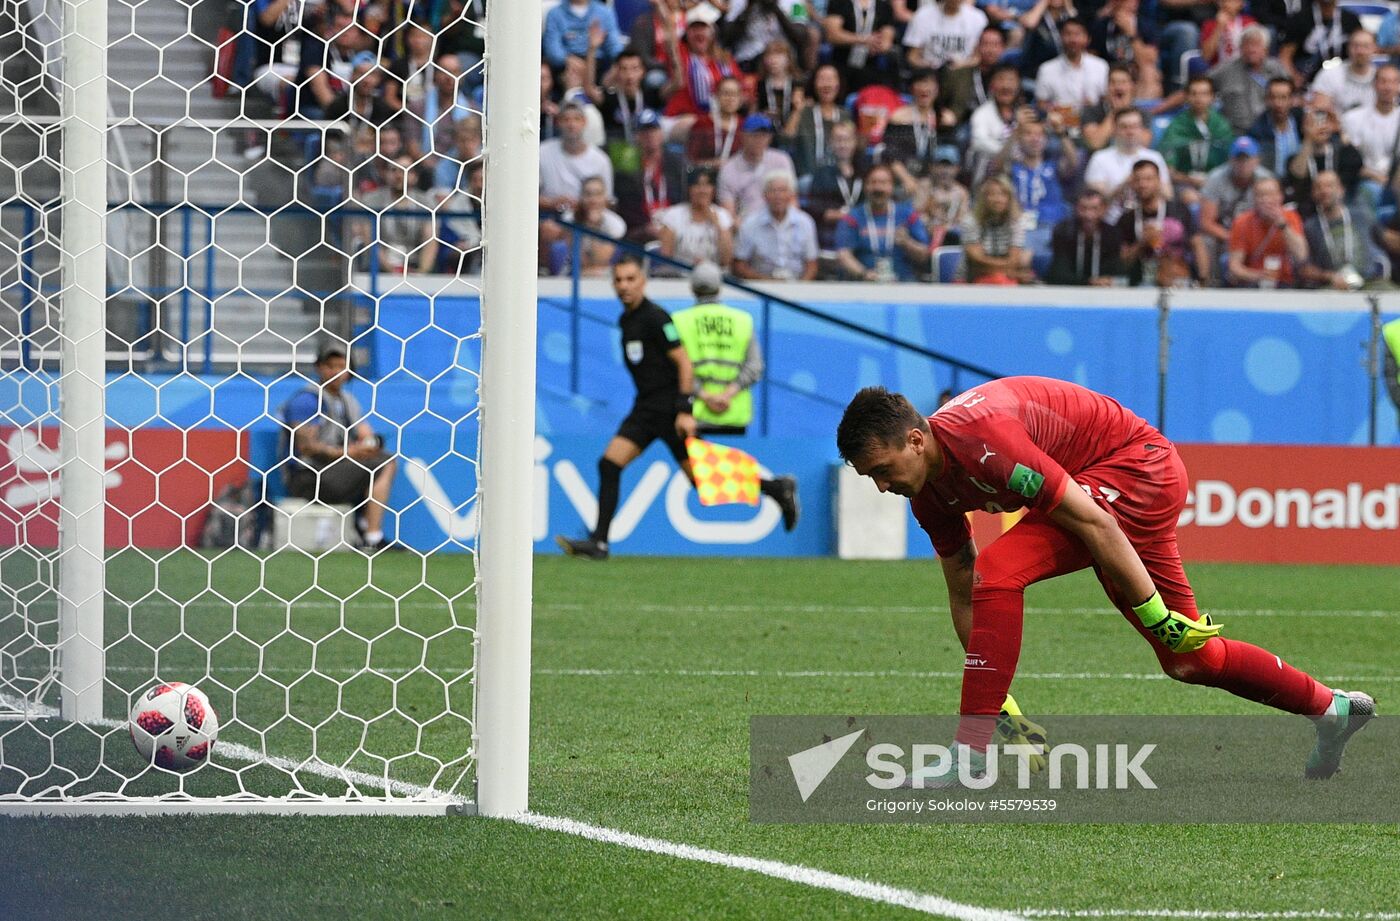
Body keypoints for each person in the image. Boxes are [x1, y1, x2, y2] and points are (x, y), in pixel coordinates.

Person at [834, 380, 1375, 783]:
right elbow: (962, 587)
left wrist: (1154, 617)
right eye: (870, 477)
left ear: (915, 439)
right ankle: (1332, 710)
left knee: (1003, 569)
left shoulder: (985, 440)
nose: (882, 487)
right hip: (1109, 492)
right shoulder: (925, 492)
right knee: (1189, 660)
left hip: (1138, 469)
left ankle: (969, 753)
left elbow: (1094, 521)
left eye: (883, 470)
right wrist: (1001, 706)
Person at [555, 255, 698, 561]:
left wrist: (685, 409)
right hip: (646, 409)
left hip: (669, 411)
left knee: (704, 482)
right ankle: (599, 543)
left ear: (643, 282)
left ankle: (775, 488)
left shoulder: (657, 318)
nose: (624, 286)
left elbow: (685, 362)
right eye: (618, 280)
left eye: (630, 279)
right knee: (609, 464)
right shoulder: (626, 320)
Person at [670, 262, 800, 529]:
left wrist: (705, 395)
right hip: (733, 412)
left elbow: (676, 367)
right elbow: (755, 367)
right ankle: (775, 487)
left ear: (692, 288)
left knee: (701, 475)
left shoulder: (679, 321)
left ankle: (775, 487)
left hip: (695, 411)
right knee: (706, 473)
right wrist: (728, 393)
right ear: (720, 287)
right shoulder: (742, 321)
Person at [281, 345, 399, 551]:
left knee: (383, 459)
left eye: (342, 366)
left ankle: (365, 525)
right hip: (308, 476)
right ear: (319, 368)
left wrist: (369, 444)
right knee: (384, 464)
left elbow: (366, 434)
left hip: (333, 471)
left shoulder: (348, 401)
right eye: (330, 366)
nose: (336, 372)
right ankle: (371, 536)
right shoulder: (307, 400)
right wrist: (349, 452)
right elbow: (306, 447)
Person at [834, 164, 930, 281]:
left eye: (883, 183)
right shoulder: (852, 217)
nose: (878, 188)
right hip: (864, 284)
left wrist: (907, 243)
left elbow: (924, 255)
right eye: (873, 182)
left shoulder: (908, 215)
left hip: (903, 284)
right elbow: (843, 255)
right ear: (865, 186)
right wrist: (864, 274)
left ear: (892, 186)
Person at [1116, 159, 1201, 288]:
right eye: (1138, 180)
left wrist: (1203, 279)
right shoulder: (1126, 218)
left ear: (1159, 180)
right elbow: (1123, 262)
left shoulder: (1179, 211)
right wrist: (1143, 242)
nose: (1143, 184)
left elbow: (1197, 244)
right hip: (1140, 283)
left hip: (1178, 278)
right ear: (1132, 183)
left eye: (1148, 179)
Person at [1197, 137, 1271, 286]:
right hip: (1224, 234)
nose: (1243, 164)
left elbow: (1271, 215)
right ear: (1231, 160)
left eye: (1248, 159)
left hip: (1255, 233)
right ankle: (1210, 284)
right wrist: (1234, 238)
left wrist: (1248, 240)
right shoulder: (1216, 179)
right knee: (1205, 240)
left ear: (1257, 160)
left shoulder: (1266, 180)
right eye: (1239, 159)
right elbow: (1206, 222)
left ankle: (1270, 283)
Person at [1156, 75, 1235, 207]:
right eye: (1194, 94)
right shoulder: (1177, 126)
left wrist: (1212, 181)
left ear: (1212, 97)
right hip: (1185, 183)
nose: (1199, 99)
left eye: (1204, 94)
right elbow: (1168, 169)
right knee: (1190, 198)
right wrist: (1191, 180)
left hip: (1217, 182)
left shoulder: (1222, 125)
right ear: (1186, 97)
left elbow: (1231, 162)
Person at [1083, 108, 1172, 221]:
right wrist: (1126, 184)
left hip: (1148, 220)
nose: (1130, 132)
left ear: (1142, 129)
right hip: (1111, 222)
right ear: (1114, 130)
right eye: (1124, 127)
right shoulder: (1099, 158)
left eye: (1135, 126)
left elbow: (1168, 196)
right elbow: (1096, 202)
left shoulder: (1154, 157)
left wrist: (1146, 184)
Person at [1300, 170, 1382, 290]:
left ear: (1341, 190)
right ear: (1313, 194)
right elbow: (1305, 269)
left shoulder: (1362, 216)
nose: (1324, 191)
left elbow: (1386, 238)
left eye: (1329, 186)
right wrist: (1330, 276)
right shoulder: (1310, 226)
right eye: (1318, 187)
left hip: (1369, 282)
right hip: (1332, 286)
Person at [733, 171, 820, 280]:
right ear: (764, 195)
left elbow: (812, 264)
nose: (778, 196)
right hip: (761, 285)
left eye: (783, 191)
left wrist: (801, 287)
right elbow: (739, 265)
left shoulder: (805, 222)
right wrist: (767, 282)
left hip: (798, 284)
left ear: (791, 194)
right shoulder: (750, 224)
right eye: (773, 191)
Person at [1227, 176, 1309, 288]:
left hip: (1283, 282)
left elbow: (1301, 255)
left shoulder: (1291, 217)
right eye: (1260, 195)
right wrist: (1257, 275)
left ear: (1280, 197)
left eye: (1270, 194)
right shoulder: (1242, 221)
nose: (1266, 200)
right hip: (1252, 282)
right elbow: (1235, 266)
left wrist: (1283, 225)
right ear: (1254, 199)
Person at [1340, 63, 1400, 210]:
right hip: (1366, 179)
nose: (1388, 87)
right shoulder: (1353, 118)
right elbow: (1350, 161)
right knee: (1370, 191)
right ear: (1374, 85)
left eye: (1394, 82)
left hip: (1397, 179)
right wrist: (1379, 178)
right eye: (1383, 81)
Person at [1211, 25, 1290, 137]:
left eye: (1256, 45)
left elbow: (1291, 96)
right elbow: (1201, 85)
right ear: (1240, 48)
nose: (1251, 49)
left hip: (1269, 133)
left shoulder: (1277, 69)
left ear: (1266, 49)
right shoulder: (1225, 69)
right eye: (1247, 44)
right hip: (1235, 134)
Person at [717, 114, 798, 219]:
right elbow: (728, 214)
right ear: (743, 136)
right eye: (754, 135)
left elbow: (792, 200)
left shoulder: (781, 160)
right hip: (746, 226)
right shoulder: (729, 168)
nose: (759, 140)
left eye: (764, 135)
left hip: (779, 222)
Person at [657, 166, 736, 268]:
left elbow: (727, 260)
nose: (702, 190)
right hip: (679, 276)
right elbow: (665, 256)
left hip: (714, 276)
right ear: (689, 189)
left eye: (707, 185)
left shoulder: (723, 216)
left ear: (713, 189)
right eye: (697, 185)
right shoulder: (673, 215)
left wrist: (717, 224)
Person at [958, 175, 1030, 284]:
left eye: (1003, 194)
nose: (998, 199)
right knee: (999, 280)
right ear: (983, 198)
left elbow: (1014, 259)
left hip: (1006, 277)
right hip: (971, 278)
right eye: (992, 194)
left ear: (1010, 198)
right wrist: (1010, 270)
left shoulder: (1017, 222)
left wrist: (1009, 270)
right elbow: (978, 261)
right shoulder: (970, 221)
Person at [783, 65, 851, 179]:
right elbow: (786, 140)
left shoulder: (845, 114)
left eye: (831, 79)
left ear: (838, 84)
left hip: (838, 178)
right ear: (814, 84)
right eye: (822, 79)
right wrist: (797, 110)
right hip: (808, 176)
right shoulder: (805, 112)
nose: (827, 84)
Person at [1046, 188, 1124, 285]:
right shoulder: (1064, 231)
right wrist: (1089, 281)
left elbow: (1114, 269)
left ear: (1104, 209)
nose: (1089, 215)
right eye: (1083, 209)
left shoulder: (1112, 234)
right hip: (1069, 290)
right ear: (1076, 208)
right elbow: (1059, 272)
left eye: (1095, 209)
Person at [1278, 0, 1361, 89]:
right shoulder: (1300, 19)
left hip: (1344, 81)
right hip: (1309, 82)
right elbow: (1285, 57)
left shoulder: (1351, 20)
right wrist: (1295, 78)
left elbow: (1363, 49)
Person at [822, 0, 900, 93]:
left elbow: (886, 42)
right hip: (841, 63)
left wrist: (877, 45)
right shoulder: (839, 3)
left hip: (871, 66)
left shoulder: (884, 6)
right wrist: (864, 40)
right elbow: (832, 35)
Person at [1034, 17, 1108, 111]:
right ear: (1060, 37)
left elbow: (1106, 99)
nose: (1073, 40)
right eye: (1068, 34)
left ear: (1087, 38)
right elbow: (1041, 103)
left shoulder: (1101, 66)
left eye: (1077, 34)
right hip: (1059, 122)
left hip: (1094, 121)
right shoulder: (1046, 69)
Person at [903, 0, 989, 71]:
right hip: (930, 71)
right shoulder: (922, 16)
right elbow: (912, 57)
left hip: (964, 72)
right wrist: (929, 65)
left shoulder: (978, 18)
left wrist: (963, 64)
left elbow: (978, 57)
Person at [543, 0, 627, 72]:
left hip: (599, 66)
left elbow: (615, 47)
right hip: (567, 66)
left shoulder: (605, 12)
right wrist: (566, 59)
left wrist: (619, 63)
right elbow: (552, 49)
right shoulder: (555, 13)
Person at [1309, 29, 1377, 114]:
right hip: (1336, 125)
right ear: (1348, 48)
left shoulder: (1383, 78)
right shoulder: (1330, 74)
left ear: (1375, 48)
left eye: (1365, 46)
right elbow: (1319, 111)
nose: (1360, 51)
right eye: (1355, 46)